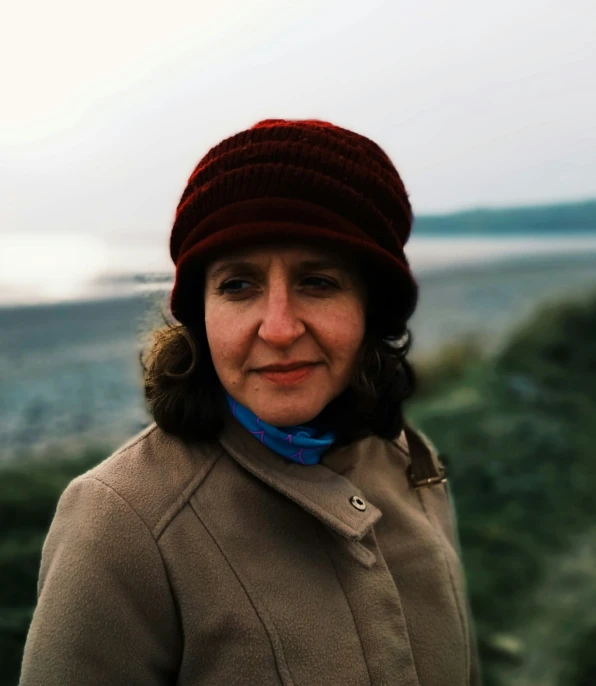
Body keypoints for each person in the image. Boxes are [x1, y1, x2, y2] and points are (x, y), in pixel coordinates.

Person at [20, 119, 480, 685]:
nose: (280, 328)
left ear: (370, 308)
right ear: (200, 314)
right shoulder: (121, 521)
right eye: (238, 285)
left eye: (318, 281)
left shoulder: (410, 459)